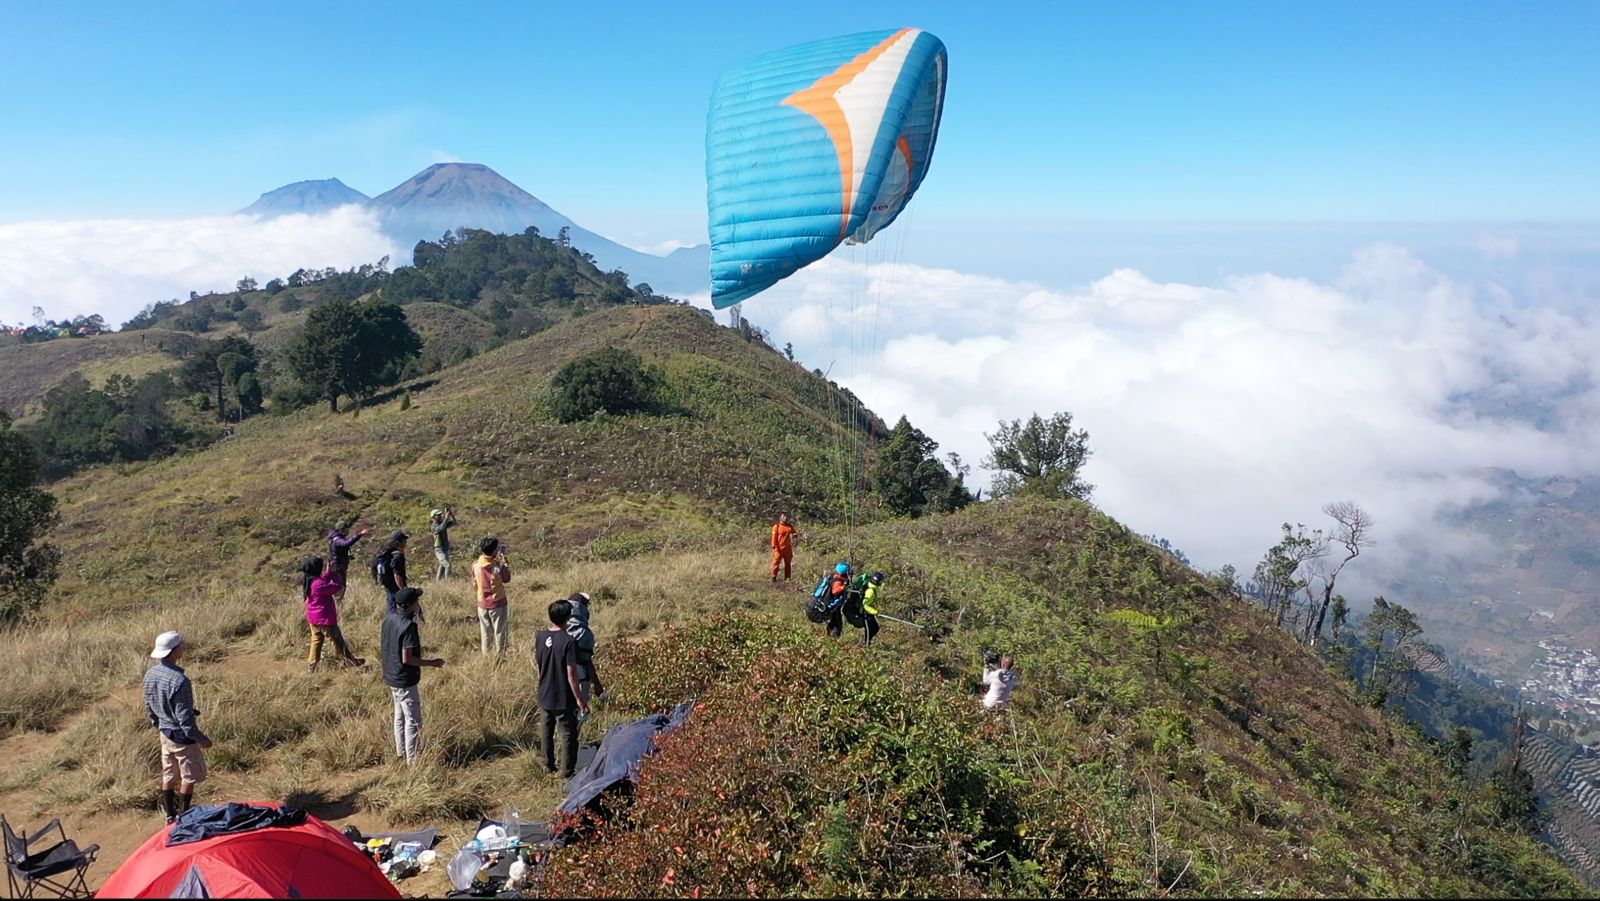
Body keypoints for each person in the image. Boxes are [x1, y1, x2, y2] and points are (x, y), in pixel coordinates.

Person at [142, 631, 212, 823]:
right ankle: (183, 815)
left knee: (169, 773)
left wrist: (158, 725)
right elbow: (185, 719)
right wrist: (200, 738)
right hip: (182, 736)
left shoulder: (150, 674)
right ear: (173, 652)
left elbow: (149, 707)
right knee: (188, 776)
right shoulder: (180, 681)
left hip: (164, 732)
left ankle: (169, 815)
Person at [381, 587, 443, 765]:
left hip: (391, 674)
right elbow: (407, 658)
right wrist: (432, 663)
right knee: (413, 720)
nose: (419, 603)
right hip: (404, 679)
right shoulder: (408, 626)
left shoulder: (389, 618)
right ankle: (413, 762)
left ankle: (401, 753)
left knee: (399, 715)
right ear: (411, 605)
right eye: (417, 600)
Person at [535, 599, 591, 778]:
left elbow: (540, 662)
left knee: (546, 731)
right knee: (568, 733)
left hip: (544, 691)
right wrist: (580, 699)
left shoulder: (540, 636)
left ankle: (547, 765)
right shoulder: (569, 641)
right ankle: (566, 771)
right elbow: (571, 674)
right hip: (563, 695)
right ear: (568, 617)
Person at [305, 562, 365, 672]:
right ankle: (349, 661)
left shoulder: (310, 581)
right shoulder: (318, 584)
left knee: (316, 640)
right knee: (338, 641)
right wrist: (334, 574)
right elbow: (337, 587)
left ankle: (312, 665)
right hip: (325, 618)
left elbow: (323, 580)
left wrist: (328, 572)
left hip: (313, 618)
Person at [472, 537, 513, 655]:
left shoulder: (475, 565)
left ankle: (487, 657)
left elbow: (474, 584)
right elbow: (506, 579)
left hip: (482, 604)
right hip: (498, 604)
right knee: (500, 632)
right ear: (494, 551)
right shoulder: (497, 566)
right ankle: (500, 658)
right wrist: (505, 563)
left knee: (485, 633)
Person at [564, 592, 605, 703]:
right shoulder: (584, 634)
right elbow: (586, 662)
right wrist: (597, 685)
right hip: (579, 681)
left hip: (557, 682)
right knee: (578, 715)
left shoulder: (558, 629)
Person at [327, 520, 373, 585]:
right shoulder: (337, 540)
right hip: (338, 566)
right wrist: (359, 535)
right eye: (346, 529)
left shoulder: (337, 538)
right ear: (341, 530)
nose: (347, 531)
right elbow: (346, 543)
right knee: (340, 586)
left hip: (338, 565)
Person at [374, 531, 410, 613]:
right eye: (404, 540)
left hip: (387, 582)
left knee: (391, 602)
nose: (406, 542)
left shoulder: (386, 551)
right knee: (403, 603)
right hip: (394, 583)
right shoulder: (397, 555)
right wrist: (403, 590)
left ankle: (391, 618)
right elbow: (397, 574)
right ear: (399, 541)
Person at [824, 562, 851, 639]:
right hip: (833, 607)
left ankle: (829, 638)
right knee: (837, 625)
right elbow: (835, 591)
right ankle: (833, 641)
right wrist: (843, 587)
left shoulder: (834, 577)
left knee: (832, 624)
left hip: (833, 607)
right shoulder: (838, 580)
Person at [769, 512, 799, 582]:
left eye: (786, 516)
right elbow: (774, 538)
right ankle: (773, 578)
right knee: (776, 563)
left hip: (788, 549)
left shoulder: (789, 526)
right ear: (780, 518)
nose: (785, 518)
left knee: (788, 564)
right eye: (784, 516)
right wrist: (774, 547)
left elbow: (795, 533)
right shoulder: (776, 526)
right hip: (779, 549)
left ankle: (787, 578)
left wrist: (794, 535)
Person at [429, 507, 457, 580]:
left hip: (445, 548)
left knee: (442, 566)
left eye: (441, 515)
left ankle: (438, 582)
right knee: (447, 565)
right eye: (438, 515)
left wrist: (451, 515)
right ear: (434, 517)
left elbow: (454, 523)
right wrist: (446, 518)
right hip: (439, 550)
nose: (440, 516)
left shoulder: (442, 523)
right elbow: (441, 528)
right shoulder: (434, 526)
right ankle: (449, 581)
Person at [859, 571, 885, 646]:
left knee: (875, 628)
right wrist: (875, 611)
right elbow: (865, 605)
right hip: (865, 613)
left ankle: (867, 644)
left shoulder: (873, 588)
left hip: (869, 612)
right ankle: (866, 646)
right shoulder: (871, 591)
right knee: (869, 629)